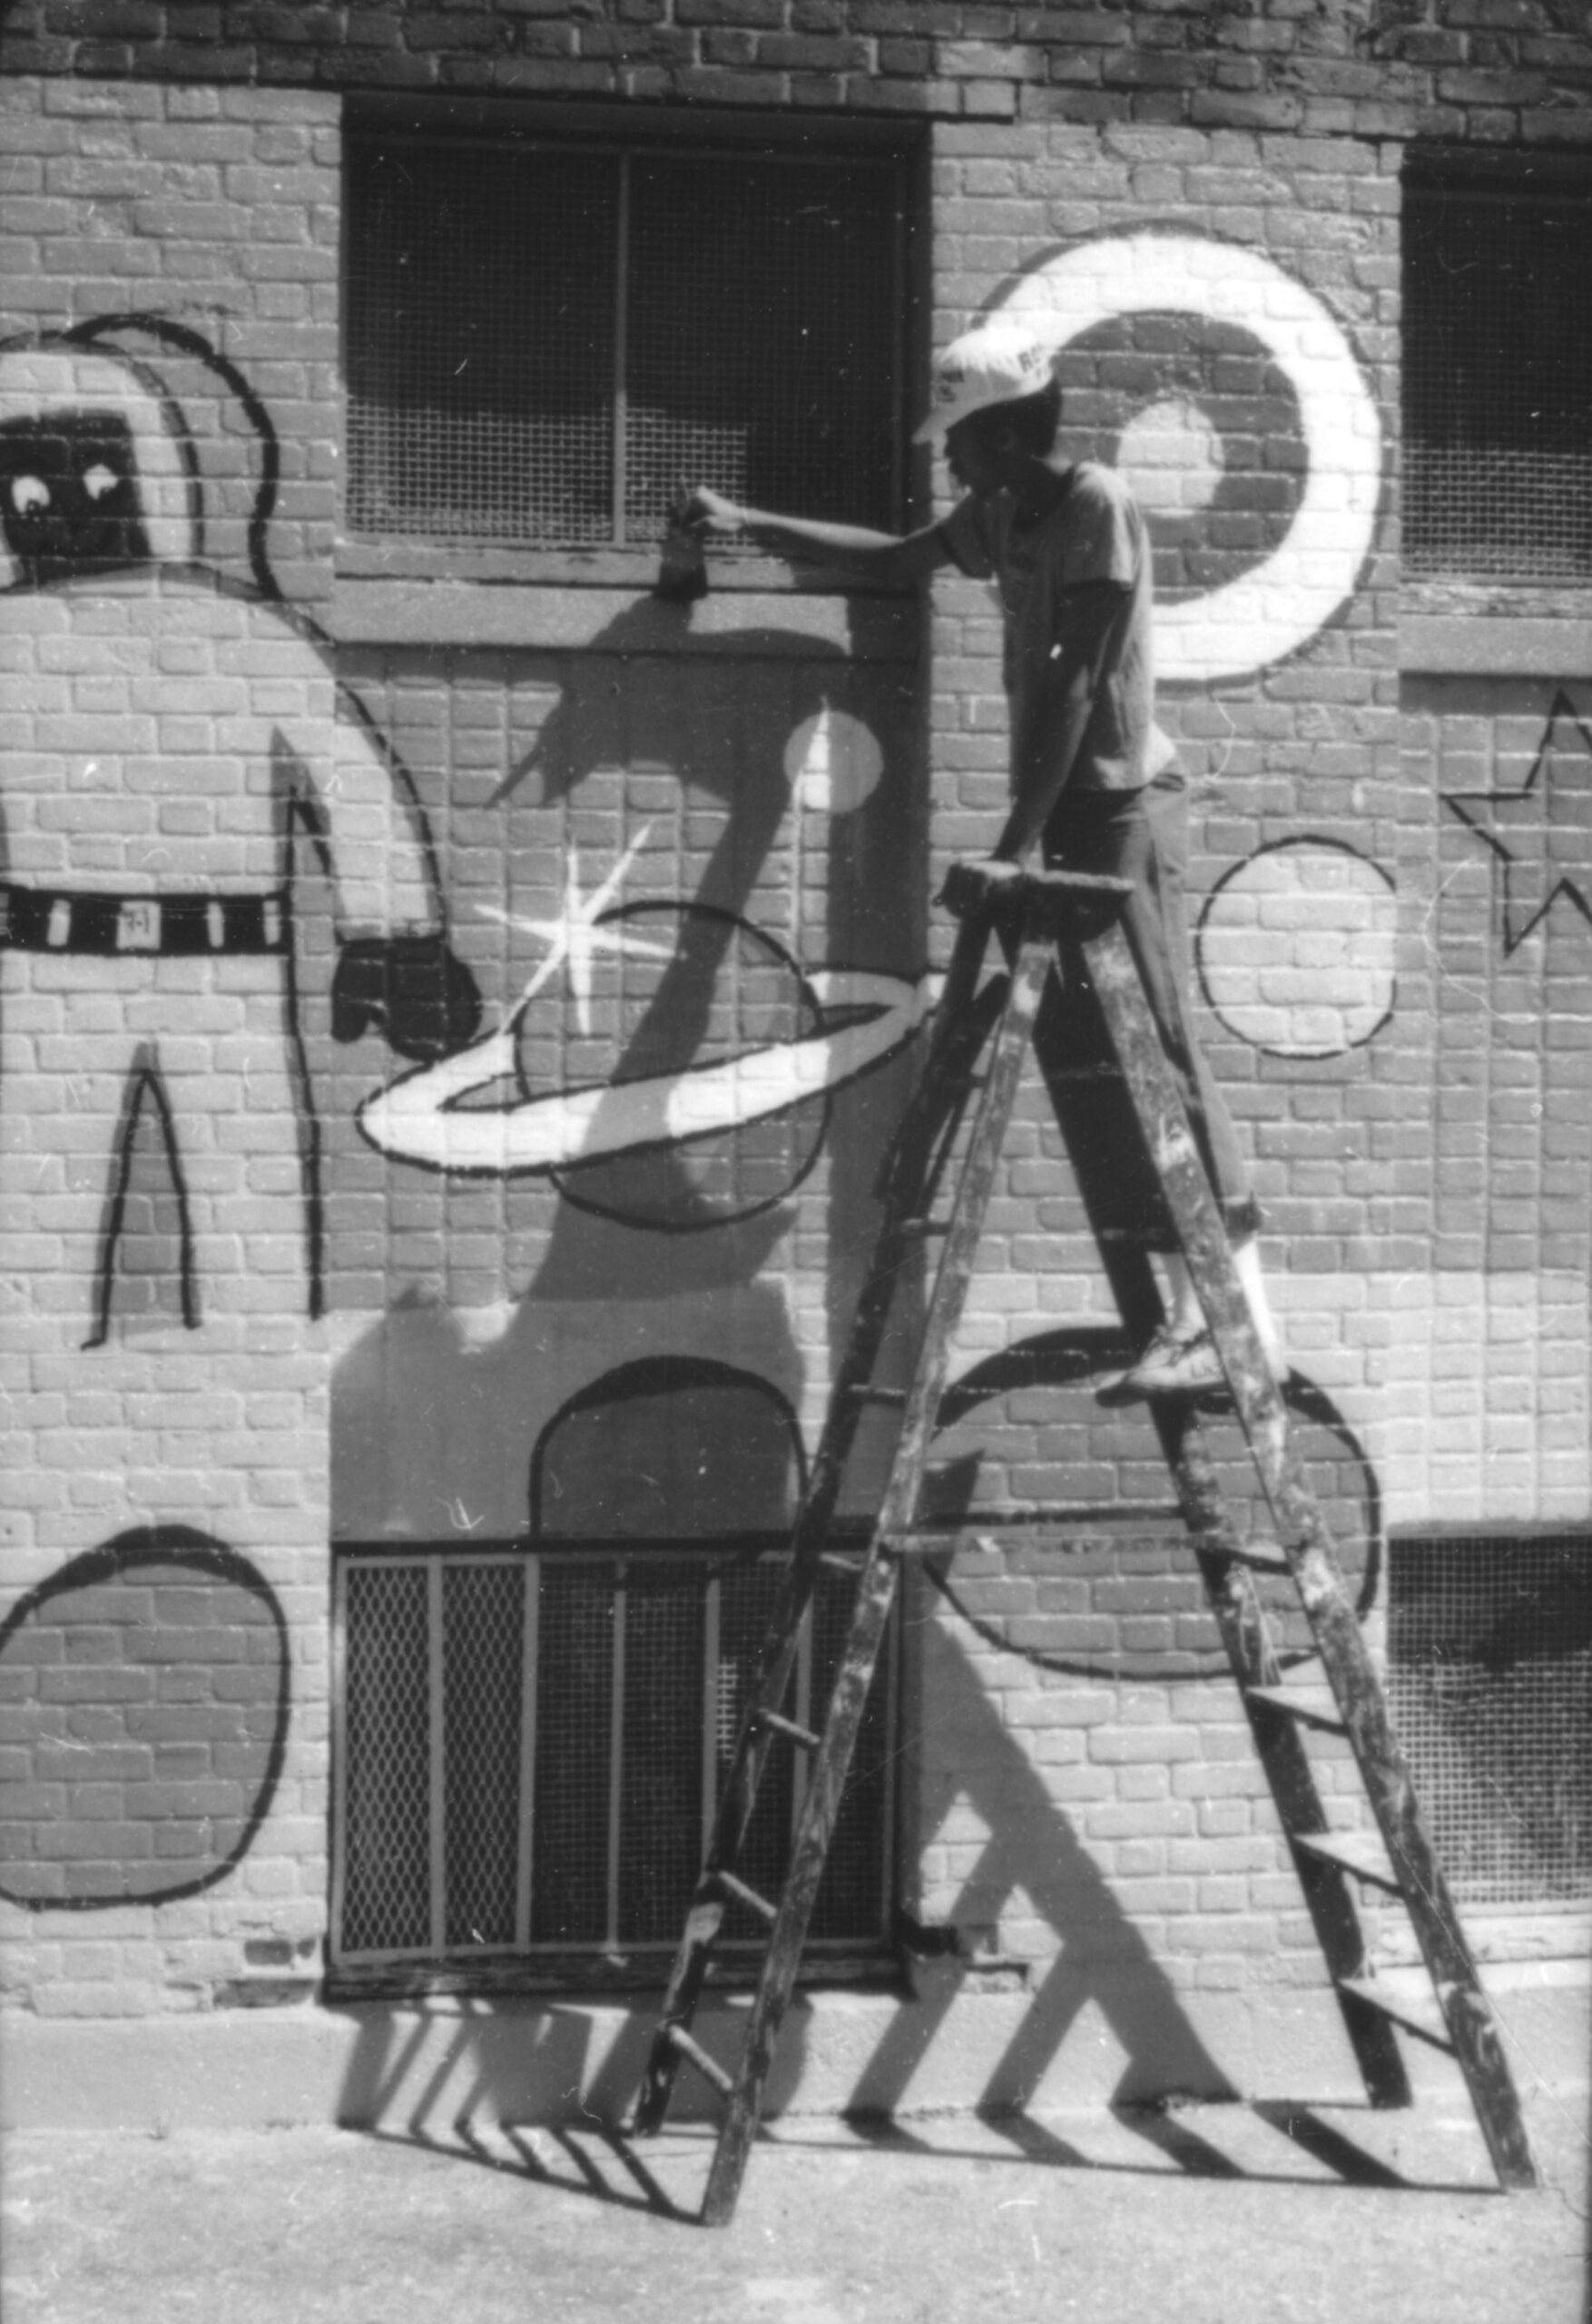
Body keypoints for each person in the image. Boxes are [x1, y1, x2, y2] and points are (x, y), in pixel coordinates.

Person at [683, 315, 1283, 1398]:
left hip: (1120, 801)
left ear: (1003, 434)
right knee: (1112, 1060)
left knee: (1159, 1041)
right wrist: (745, 520)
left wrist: (1012, 848)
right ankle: (1190, 1311)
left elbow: (1076, 690)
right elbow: (902, 555)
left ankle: (1242, 1325)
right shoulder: (1006, 508)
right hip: (1068, 809)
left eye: (955, 440)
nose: (945, 458)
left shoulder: (1094, 506)